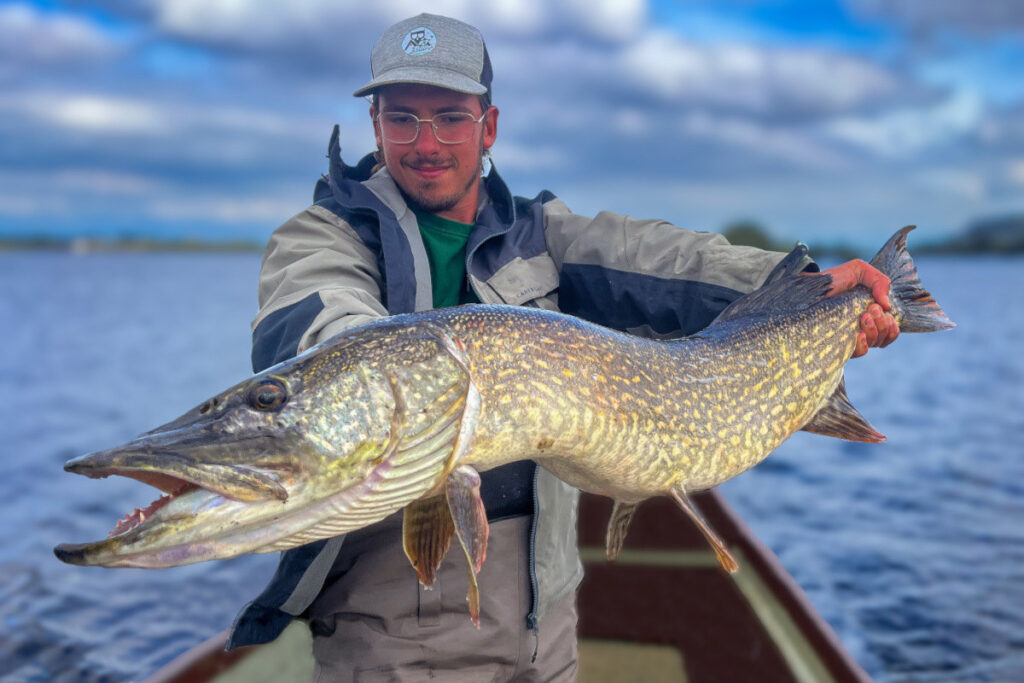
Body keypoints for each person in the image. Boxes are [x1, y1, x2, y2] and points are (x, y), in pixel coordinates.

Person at [226, 13, 899, 681]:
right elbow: (316, 325)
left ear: (488, 127)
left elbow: (660, 259)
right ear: (376, 125)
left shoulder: (539, 232)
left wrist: (800, 288)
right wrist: (368, 390)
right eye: (403, 117)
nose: (425, 142)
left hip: (545, 618)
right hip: (393, 623)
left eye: (450, 118)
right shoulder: (324, 236)